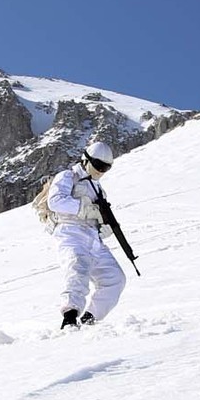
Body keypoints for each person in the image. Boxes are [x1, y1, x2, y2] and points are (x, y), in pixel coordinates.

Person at [43, 140, 128, 329]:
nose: (101, 171)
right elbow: (55, 201)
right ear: (86, 160)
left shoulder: (98, 188)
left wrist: (103, 227)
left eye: (106, 168)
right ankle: (70, 316)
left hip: (92, 238)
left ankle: (90, 318)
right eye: (98, 165)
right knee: (77, 269)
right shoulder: (68, 176)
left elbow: (100, 217)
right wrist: (84, 210)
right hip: (70, 232)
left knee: (115, 278)